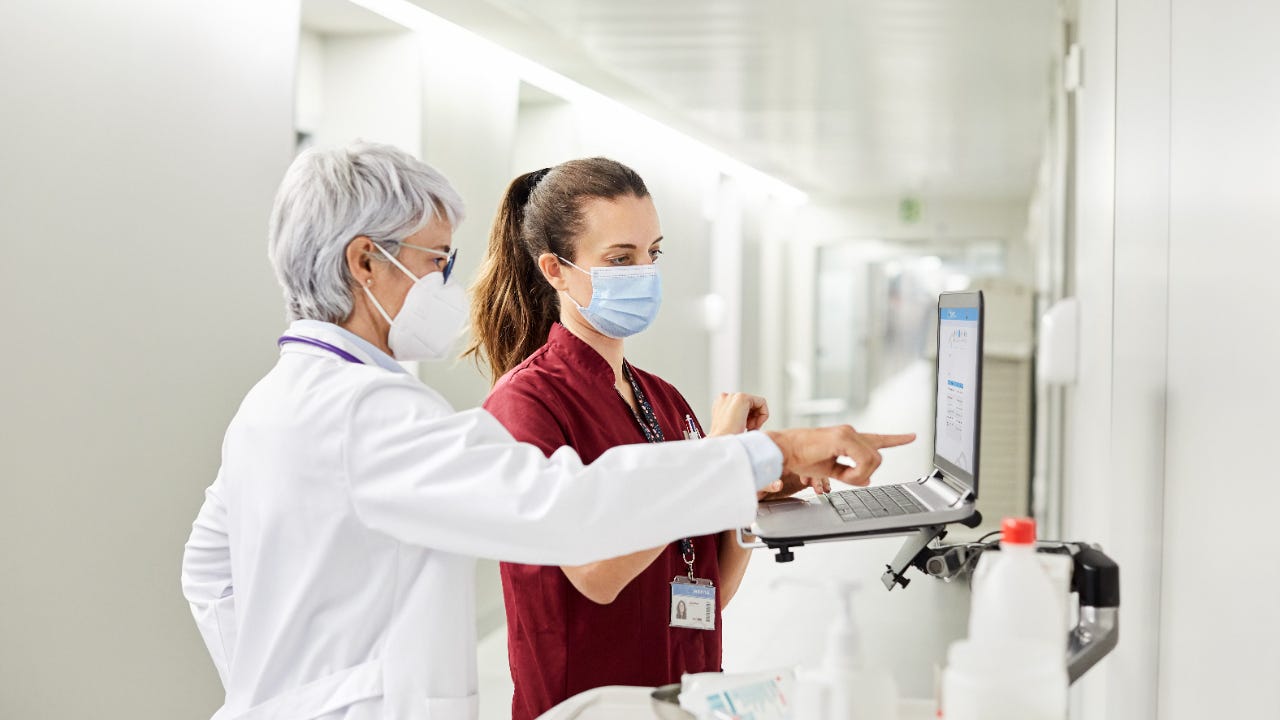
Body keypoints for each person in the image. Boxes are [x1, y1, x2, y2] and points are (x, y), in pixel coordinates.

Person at [180, 141, 915, 720]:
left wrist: (281, 686)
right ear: (365, 261)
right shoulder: (369, 412)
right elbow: (567, 513)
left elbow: (208, 570)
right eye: (436, 260)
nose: (445, 281)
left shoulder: (275, 403)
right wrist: (760, 453)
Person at [465, 158, 901, 719]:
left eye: (653, 253)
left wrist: (747, 491)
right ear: (556, 269)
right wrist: (721, 459)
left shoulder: (661, 399)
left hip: (685, 691)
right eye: (620, 259)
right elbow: (597, 577)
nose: (644, 271)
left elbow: (709, 590)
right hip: (591, 705)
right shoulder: (526, 405)